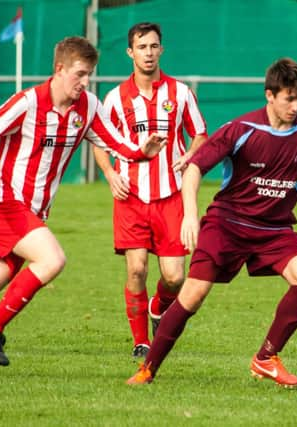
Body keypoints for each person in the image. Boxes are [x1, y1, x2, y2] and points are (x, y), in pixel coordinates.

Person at [126, 57, 297, 386]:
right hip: (227, 224)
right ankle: (148, 368)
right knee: (194, 293)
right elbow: (196, 167)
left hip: (274, 229)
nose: (295, 105)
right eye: (289, 98)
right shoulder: (242, 129)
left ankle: (266, 358)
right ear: (269, 95)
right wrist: (189, 214)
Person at [0, 36, 167, 367]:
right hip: (4, 203)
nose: (85, 82)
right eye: (79, 74)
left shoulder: (89, 107)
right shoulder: (28, 102)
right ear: (59, 69)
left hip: (31, 214)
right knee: (52, 259)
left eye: (89, 75)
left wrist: (142, 151)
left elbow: (115, 142)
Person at [92, 22, 207, 358]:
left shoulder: (180, 93)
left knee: (174, 278)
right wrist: (110, 172)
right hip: (131, 197)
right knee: (137, 269)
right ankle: (141, 341)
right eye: (142, 47)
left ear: (162, 50)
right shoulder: (115, 97)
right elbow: (98, 139)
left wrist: (188, 154)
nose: (148, 53)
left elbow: (200, 134)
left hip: (171, 196)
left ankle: (159, 307)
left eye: (154, 46)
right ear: (130, 52)